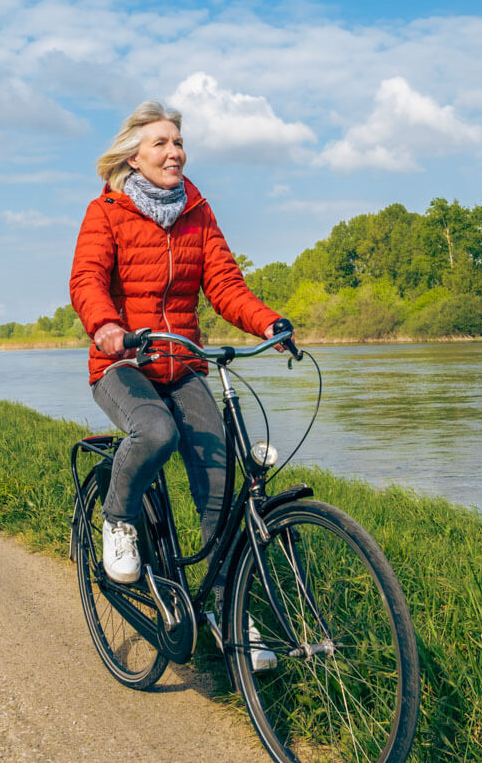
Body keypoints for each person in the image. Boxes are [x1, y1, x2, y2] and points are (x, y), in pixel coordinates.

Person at [69, 100, 291, 595]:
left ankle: (232, 611)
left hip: (183, 362)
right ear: (134, 158)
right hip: (122, 362)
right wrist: (105, 325)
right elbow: (86, 279)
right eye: (162, 143)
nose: (175, 153)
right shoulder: (106, 211)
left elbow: (226, 285)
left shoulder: (197, 211)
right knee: (154, 431)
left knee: (219, 482)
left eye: (179, 143)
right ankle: (119, 520)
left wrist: (269, 323)